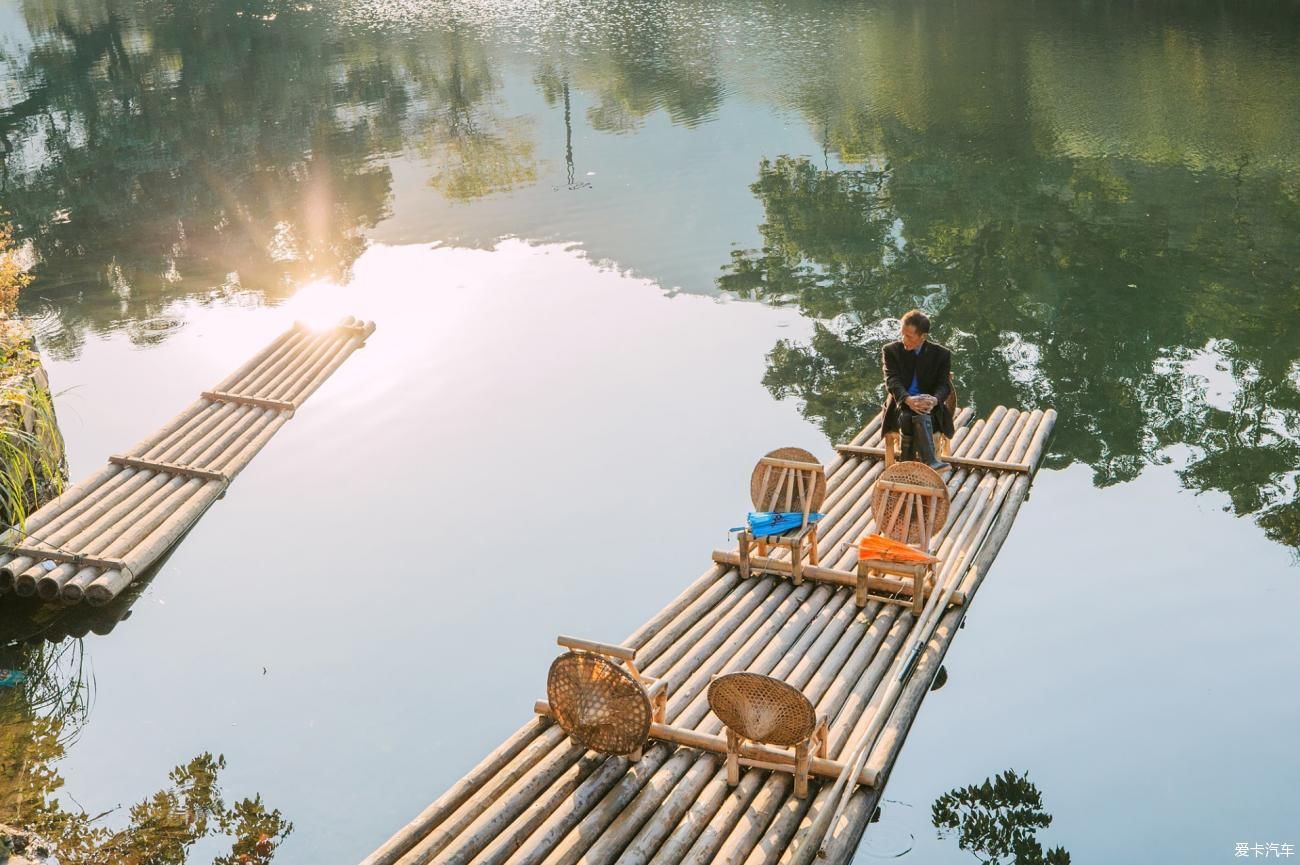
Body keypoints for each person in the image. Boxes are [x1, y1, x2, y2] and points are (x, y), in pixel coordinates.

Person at [882, 309, 953, 469]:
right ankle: (930, 461)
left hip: (930, 406)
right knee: (910, 413)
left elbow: (944, 385)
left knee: (916, 414)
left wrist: (934, 400)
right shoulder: (891, 350)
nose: (904, 339)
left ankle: (906, 462)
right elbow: (892, 380)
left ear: (923, 337)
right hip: (901, 403)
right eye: (902, 334)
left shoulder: (941, 354)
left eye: (909, 336)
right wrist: (908, 399)